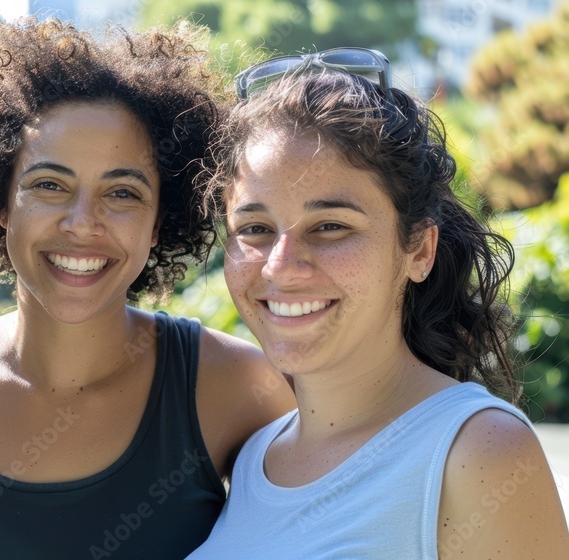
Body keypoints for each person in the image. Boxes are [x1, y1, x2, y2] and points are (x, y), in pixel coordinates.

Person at [0, 17, 295, 560]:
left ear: (160, 221)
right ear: (0, 203)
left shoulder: (235, 387)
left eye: (122, 192)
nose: (82, 222)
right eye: (49, 185)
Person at [187, 50, 569, 558]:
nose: (281, 266)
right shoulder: (253, 456)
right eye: (255, 229)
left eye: (331, 227)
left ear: (419, 250)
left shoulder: (478, 452)